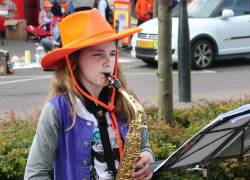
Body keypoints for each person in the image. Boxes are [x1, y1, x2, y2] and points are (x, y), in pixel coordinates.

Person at [24, 9, 154, 180]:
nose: (108, 61)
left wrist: (147, 160)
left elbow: (145, 147)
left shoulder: (126, 101)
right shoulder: (57, 110)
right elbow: (35, 174)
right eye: (98, 54)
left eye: (112, 53)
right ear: (74, 60)